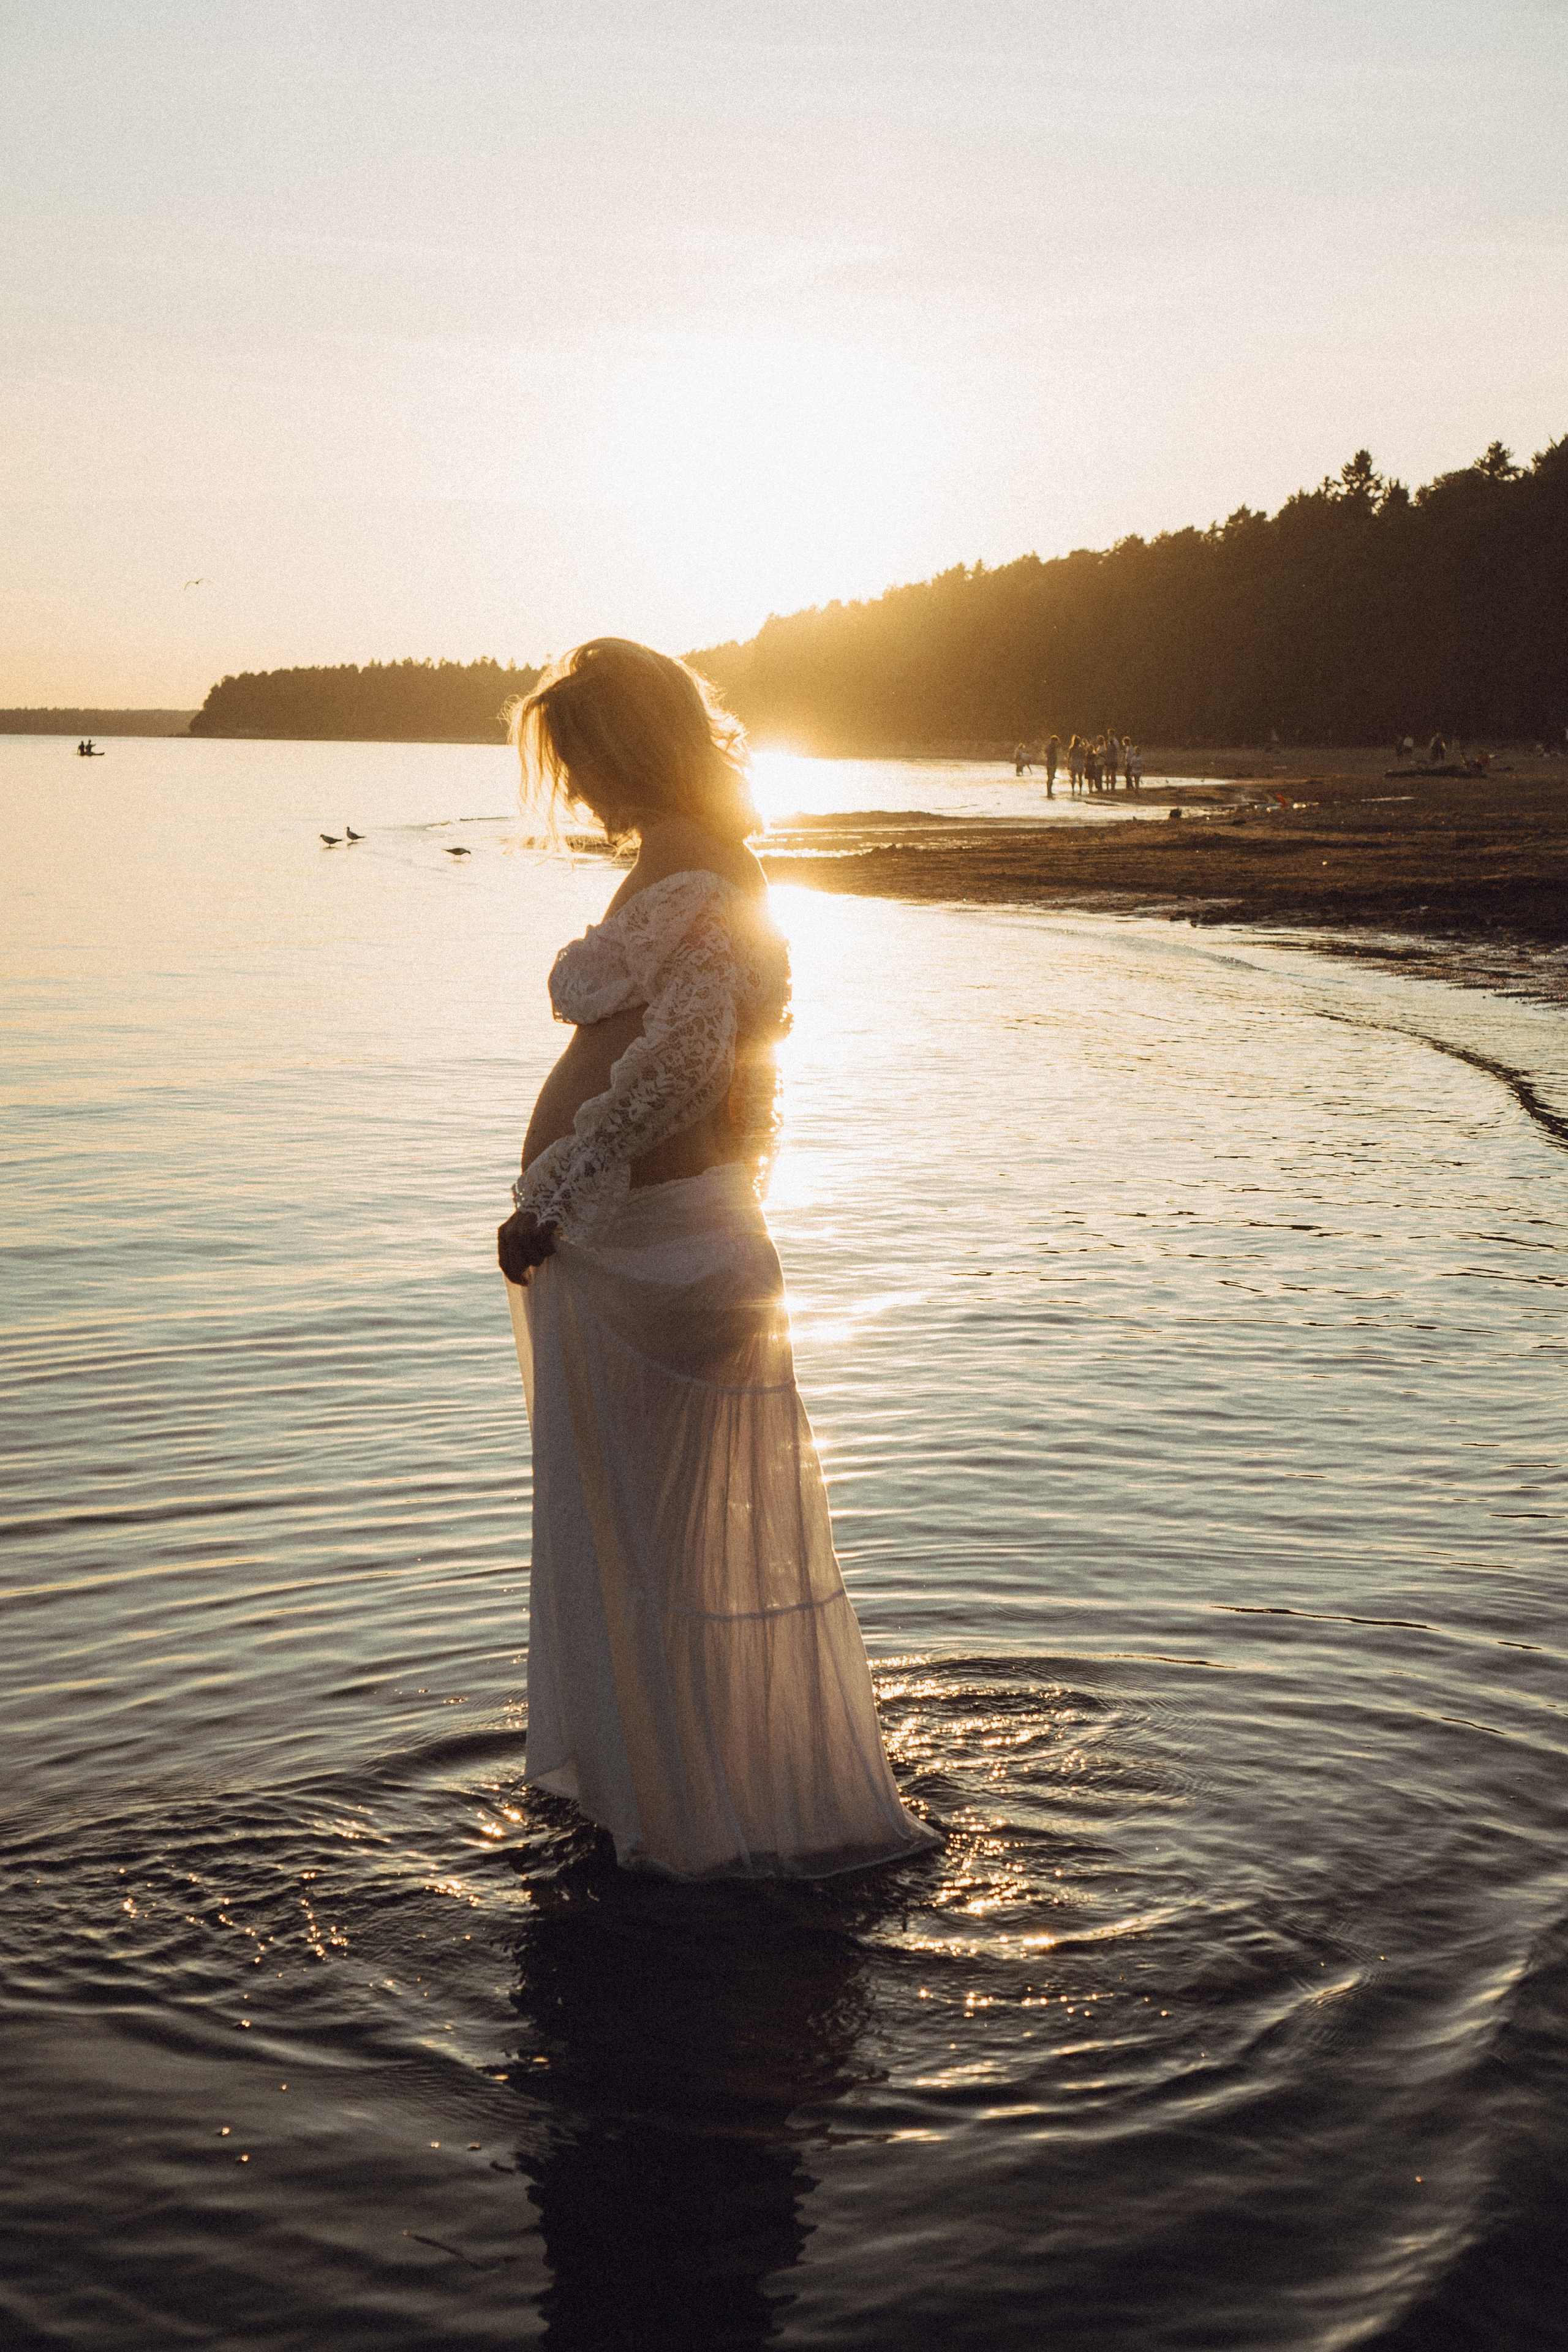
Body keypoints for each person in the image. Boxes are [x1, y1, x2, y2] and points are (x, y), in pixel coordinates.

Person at [495, 638, 938, 1882]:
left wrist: (558, 1197)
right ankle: (677, 1807)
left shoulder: (693, 867)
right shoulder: (689, 859)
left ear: (630, 746)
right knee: (650, 1556)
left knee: (656, 1561)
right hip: (649, 1248)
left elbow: (692, 1061)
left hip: (651, 1260)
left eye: (582, 759)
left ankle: (695, 1838)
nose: (574, 788)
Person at [1044, 733, 1059, 797]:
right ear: (1054, 741)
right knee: (1051, 778)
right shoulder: (1052, 747)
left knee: (1050, 778)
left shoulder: (1049, 746)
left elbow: (1045, 752)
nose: (1057, 743)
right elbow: (1052, 756)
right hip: (1052, 764)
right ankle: (1049, 793)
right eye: (1056, 741)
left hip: (1049, 764)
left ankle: (1049, 792)